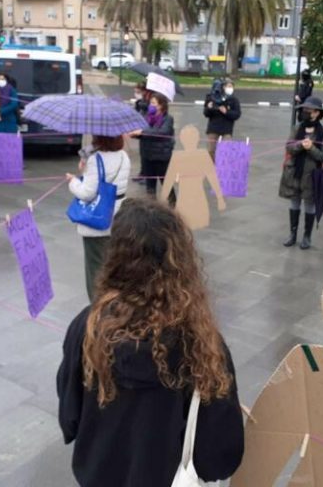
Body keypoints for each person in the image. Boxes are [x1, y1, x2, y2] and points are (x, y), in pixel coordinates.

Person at [57, 198, 244, 487]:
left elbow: (69, 418)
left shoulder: (87, 326)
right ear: (180, 261)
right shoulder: (202, 343)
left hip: (98, 476)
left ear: (115, 256)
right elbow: (218, 456)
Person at [66, 135, 131, 301]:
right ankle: (115, 301)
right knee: (114, 264)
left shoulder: (96, 159)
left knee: (95, 268)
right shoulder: (124, 156)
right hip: (119, 216)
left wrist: (73, 181)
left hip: (98, 220)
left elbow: (87, 193)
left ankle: (97, 308)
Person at [279, 97, 323, 250]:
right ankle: (292, 234)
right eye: (304, 110)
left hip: (312, 175)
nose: (305, 113)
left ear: (317, 113)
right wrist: (301, 145)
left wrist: (312, 148)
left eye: (309, 110)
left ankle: (307, 236)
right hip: (294, 172)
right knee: (294, 202)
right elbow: (289, 147)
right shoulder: (296, 128)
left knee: (309, 204)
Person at [131, 92, 175, 201]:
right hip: (147, 156)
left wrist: (142, 131)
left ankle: (173, 205)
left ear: (161, 105)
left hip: (161, 157)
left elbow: (162, 132)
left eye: (153, 103)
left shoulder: (167, 119)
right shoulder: (148, 117)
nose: (151, 105)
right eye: (150, 102)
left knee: (166, 182)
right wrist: (135, 134)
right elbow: (144, 134)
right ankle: (152, 207)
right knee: (150, 186)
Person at [204, 78, 241, 159]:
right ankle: (212, 167)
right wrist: (209, 108)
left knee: (226, 151)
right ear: (223, 87)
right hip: (213, 128)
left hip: (226, 129)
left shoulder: (234, 100)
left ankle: (223, 168)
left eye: (232, 86)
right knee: (210, 150)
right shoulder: (212, 97)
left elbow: (237, 114)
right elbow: (206, 114)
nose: (230, 88)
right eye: (228, 86)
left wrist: (226, 112)